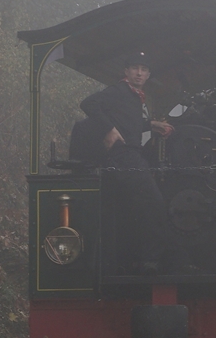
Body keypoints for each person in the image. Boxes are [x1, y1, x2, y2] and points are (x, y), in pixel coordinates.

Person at [80, 52, 187, 274]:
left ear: (148, 74)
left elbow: (129, 123)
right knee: (155, 203)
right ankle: (153, 260)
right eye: (135, 68)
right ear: (126, 71)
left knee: (140, 205)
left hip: (130, 155)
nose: (139, 73)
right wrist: (109, 129)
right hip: (124, 155)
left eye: (143, 70)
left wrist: (152, 125)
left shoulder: (134, 97)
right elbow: (88, 103)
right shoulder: (118, 91)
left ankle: (140, 257)